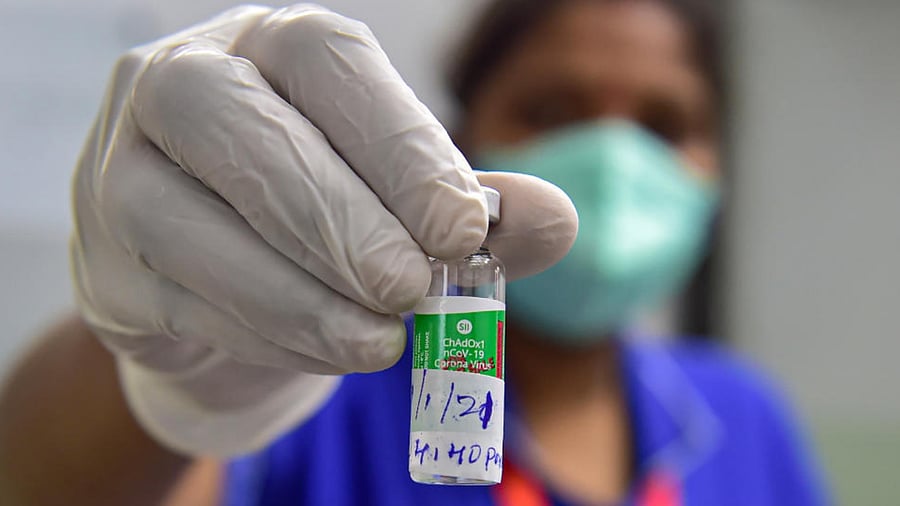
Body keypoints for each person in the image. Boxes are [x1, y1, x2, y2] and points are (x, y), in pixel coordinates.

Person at [0, 1, 830, 505]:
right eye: (551, 107)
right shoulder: (314, 390)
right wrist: (163, 382)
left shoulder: (747, 421)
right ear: (460, 142)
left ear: (717, 162)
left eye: (662, 126)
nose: (613, 156)